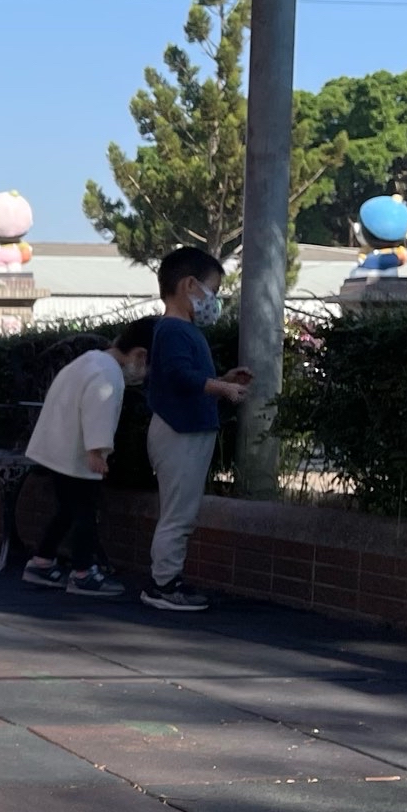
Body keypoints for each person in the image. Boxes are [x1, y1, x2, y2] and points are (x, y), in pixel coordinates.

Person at [142, 247, 252, 613]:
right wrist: (222, 388)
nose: (214, 300)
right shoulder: (175, 330)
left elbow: (184, 380)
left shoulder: (177, 330)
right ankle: (164, 584)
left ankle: (166, 580)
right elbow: (179, 376)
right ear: (190, 285)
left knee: (179, 512)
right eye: (213, 290)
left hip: (183, 430)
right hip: (181, 432)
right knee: (179, 515)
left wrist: (222, 380)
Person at [19, 320, 154, 598]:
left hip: (57, 448)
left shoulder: (90, 360)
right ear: (140, 354)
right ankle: (83, 572)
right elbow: (98, 412)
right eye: (148, 365)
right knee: (85, 514)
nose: (145, 373)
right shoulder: (109, 374)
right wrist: (97, 452)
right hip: (77, 455)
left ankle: (42, 561)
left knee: (68, 510)